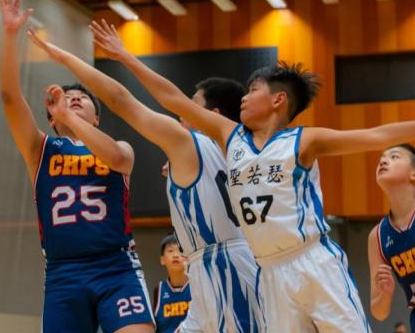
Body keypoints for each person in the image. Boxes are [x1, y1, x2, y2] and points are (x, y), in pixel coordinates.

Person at [87, 19, 414, 331]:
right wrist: (126, 57)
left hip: (313, 260)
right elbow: (172, 99)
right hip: (269, 271)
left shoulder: (304, 140)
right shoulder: (230, 136)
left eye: (253, 89)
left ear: (278, 99)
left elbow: (375, 135)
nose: (243, 97)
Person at [27, 21, 265, 332]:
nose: (182, 113)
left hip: (224, 264)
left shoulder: (189, 143)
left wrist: (77, 57)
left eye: (191, 106)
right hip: (212, 266)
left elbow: (123, 101)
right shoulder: (243, 146)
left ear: (212, 115)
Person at [0, 0, 154, 333]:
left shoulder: (119, 147)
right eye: (67, 98)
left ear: (96, 118)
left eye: (82, 99)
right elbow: (9, 98)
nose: (74, 99)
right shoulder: (41, 149)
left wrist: (68, 114)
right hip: (63, 272)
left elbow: (115, 157)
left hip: (116, 267)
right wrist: (9, 35)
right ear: (52, 119)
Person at [368, 144, 415, 332]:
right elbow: (378, 312)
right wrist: (385, 294)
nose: (384, 161)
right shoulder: (378, 236)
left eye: (394, 157)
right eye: (381, 158)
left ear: (413, 174)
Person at [153, 235, 191, 333]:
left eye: (180, 251)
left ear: (188, 257)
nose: (175, 255)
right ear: (162, 260)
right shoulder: (159, 289)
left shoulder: (196, 286)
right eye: (170, 251)